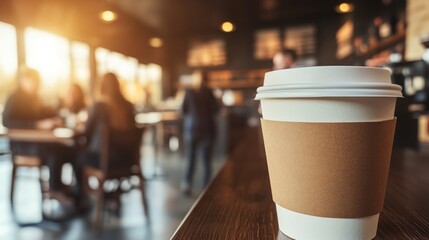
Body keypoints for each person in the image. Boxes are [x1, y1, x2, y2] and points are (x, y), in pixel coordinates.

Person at [74, 72, 139, 206]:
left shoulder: (99, 106)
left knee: (77, 157)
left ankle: (82, 198)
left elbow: (86, 133)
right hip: (129, 160)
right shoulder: (128, 105)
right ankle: (109, 194)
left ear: (101, 86)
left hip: (106, 160)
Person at [2, 66, 66, 192]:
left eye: (37, 81)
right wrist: (37, 125)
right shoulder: (14, 98)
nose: (36, 84)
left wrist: (55, 115)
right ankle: (54, 189)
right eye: (33, 81)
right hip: (22, 145)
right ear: (23, 80)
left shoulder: (34, 98)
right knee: (55, 152)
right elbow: (7, 121)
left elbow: (43, 112)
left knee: (65, 149)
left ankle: (61, 188)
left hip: (37, 142)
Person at [181, 70, 219, 195]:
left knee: (191, 159)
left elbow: (182, 111)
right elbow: (216, 110)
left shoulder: (188, 92)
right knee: (206, 161)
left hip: (192, 129)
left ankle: (187, 184)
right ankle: (206, 189)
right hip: (207, 129)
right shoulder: (210, 93)